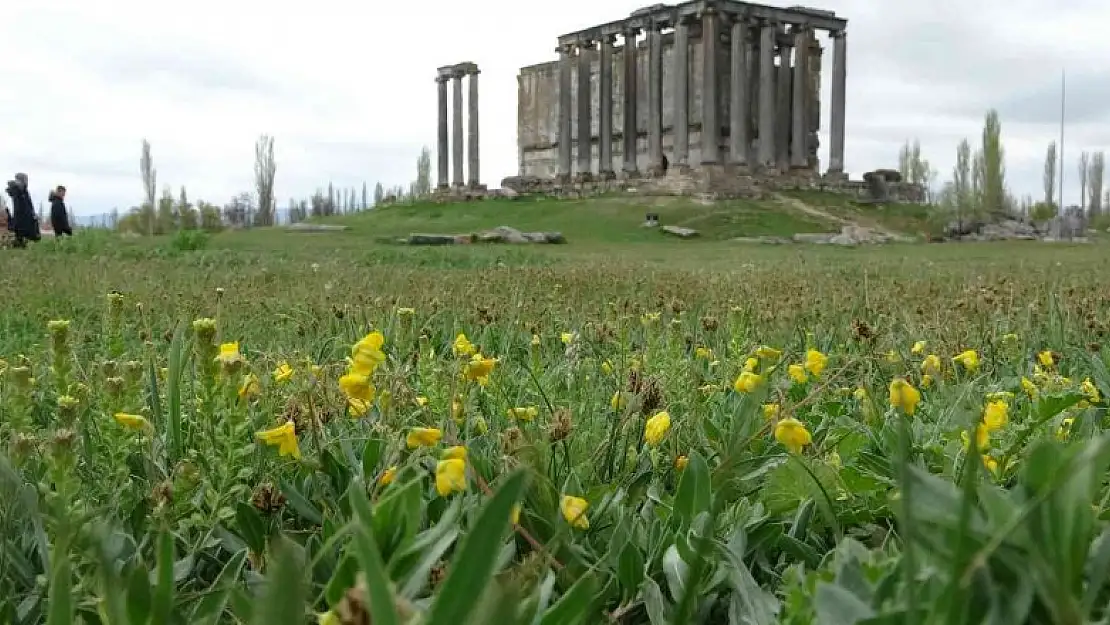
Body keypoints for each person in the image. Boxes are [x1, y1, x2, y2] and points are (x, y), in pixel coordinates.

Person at [5, 173, 40, 247]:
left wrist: (32, 214)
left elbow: (28, 206)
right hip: (21, 223)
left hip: (25, 221)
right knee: (20, 242)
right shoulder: (17, 192)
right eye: (25, 180)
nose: (27, 182)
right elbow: (18, 209)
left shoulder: (23, 192)